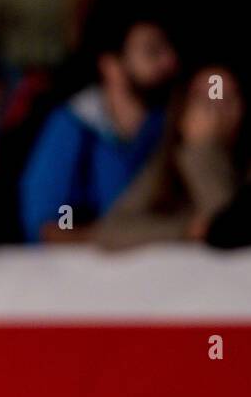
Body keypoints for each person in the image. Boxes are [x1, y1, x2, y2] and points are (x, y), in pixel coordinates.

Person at [19, 15, 178, 242]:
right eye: (152, 52)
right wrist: (113, 240)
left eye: (169, 50)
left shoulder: (171, 125)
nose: (169, 62)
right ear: (111, 66)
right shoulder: (73, 126)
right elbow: (46, 228)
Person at [92, 64, 251, 249]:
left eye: (228, 99)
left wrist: (203, 152)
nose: (215, 114)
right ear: (183, 110)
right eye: (204, 101)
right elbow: (110, 230)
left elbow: (231, 229)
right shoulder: (165, 166)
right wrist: (186, 229)